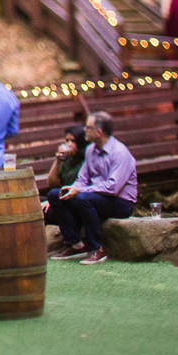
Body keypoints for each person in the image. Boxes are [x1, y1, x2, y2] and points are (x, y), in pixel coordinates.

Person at [46, 112, 136, 263]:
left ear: (99, 132)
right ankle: (76, 244)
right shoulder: (90, 150)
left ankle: (97, 248)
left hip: (121, 203)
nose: (84, 130)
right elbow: (82, 178)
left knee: (82, 198)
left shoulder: (120, 152)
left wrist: (80, 191)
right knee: (55, 195)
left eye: (88, 128)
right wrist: (71, 188)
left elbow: (113, 187)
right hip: (96, 197)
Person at [44, 124, 90, 192]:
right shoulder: (67, 159)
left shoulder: (86, 160)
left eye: (73, 141)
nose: (69, 144)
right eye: (67, 141)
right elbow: (52, 183)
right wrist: (57, 161)